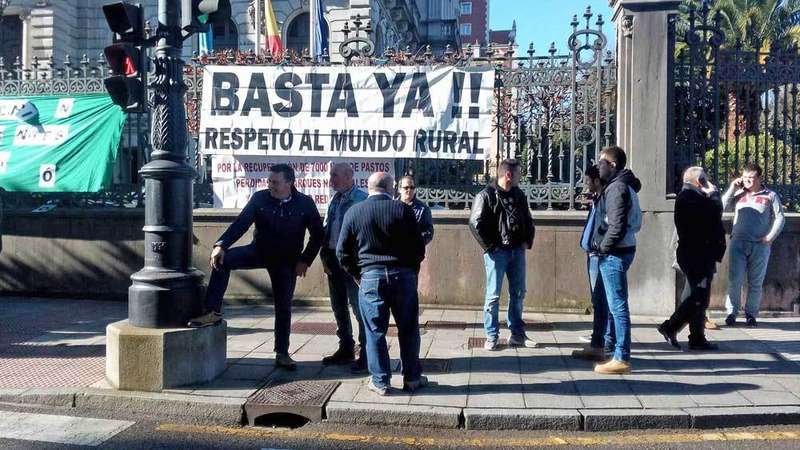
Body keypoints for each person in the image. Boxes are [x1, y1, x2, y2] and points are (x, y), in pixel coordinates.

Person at [188, 164, 324, 371]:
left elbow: (317, 235)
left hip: (286, 262)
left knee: (283, 307)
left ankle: (282, 353)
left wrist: (305, 260)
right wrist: (221, 245)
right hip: (258, 252)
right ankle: (212, 311)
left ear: (289, 183)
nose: (270, 185)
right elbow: (240, 224)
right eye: (269, 181)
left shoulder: (305, 203)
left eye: (275, 182)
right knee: (222, 260)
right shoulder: (260, 199)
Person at [337, 172, 426, 396]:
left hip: (371, 277)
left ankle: (380, 381)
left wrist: (359, 275)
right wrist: (410, 271)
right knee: (408, 329)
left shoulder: (354, 212)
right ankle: (412, 378)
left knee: (375, 331)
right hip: (403, 276)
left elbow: (342, 252)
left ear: (368, 188)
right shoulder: (403, 210)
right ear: (390, 188)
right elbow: (418, 248)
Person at [468, 159, 537, 351]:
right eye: (518, 173)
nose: (520, 177)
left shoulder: (518, 194)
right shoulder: (486, 195)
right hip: (497, 253)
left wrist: (527, 240)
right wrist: (490, 246)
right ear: (508, 175)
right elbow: (475, 223)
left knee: (518, 292)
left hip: (517, 250)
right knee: (493, 295)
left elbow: (528, 219)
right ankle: (491, 335)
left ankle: (517, 334)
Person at [658, 167, 726, 350]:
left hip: (702, 254)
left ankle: (697, 338)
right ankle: (670, 327)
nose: (707, 183)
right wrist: (714, 194)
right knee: (698, 296)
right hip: (696, 256)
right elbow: (714, 212)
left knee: (699, 297)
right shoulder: (689, 198)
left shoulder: (694, 197)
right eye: (704, 180)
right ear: (698, 182)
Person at [589, 146, 642, 374]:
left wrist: (603, 247)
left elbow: (616, 225)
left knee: (617, 306)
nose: (597, 167)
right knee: (607, 303)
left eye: (601, 163)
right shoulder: (620, 185)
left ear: (611, 165)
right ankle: (605, 346)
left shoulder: (617, 188)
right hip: (617, 250)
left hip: (614, 253)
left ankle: (621, 357)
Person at [722, 163, 785, 327]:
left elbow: (780, 218)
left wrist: (770, 237)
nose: (747, 181)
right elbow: (720, 207)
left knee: (755, 282)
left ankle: (751, 314)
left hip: (760, 245)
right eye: (745, 177)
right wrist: (731, 188)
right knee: (735, 280)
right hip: (738, 242)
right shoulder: (738, 194)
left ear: (759, 178)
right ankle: (731, 313)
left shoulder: (770, 195)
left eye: (751, 178)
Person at [320, 162, 369, 372]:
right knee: (338, 306)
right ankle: (345, 347)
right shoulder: (335, 199)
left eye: (335, 176)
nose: (332, 180)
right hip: (333, 259)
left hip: (352, 262)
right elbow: (327, 228)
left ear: (350, 177)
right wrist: (324, 255)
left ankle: (367, 351)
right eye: (331, 176)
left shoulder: (361, 200)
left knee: (359, 308)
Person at [572, 165, 615, 361]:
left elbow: (610, 226)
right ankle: (601, 340)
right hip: (593, 254)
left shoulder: (606, 198)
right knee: (599, 300)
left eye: (588, 181)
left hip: (599, 255)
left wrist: (599, 247)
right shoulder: (598, 198)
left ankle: (605, 341)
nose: (586, 185)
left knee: (603, 300)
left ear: (597, 181)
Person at [398, 175, 434, 246]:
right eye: (406, 188)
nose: (409, 190)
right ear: (399, 189)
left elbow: (429, 233)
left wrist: (413, 240)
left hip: (413, 251)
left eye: (412, 187)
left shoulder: (423, 209)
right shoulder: (392, 205)